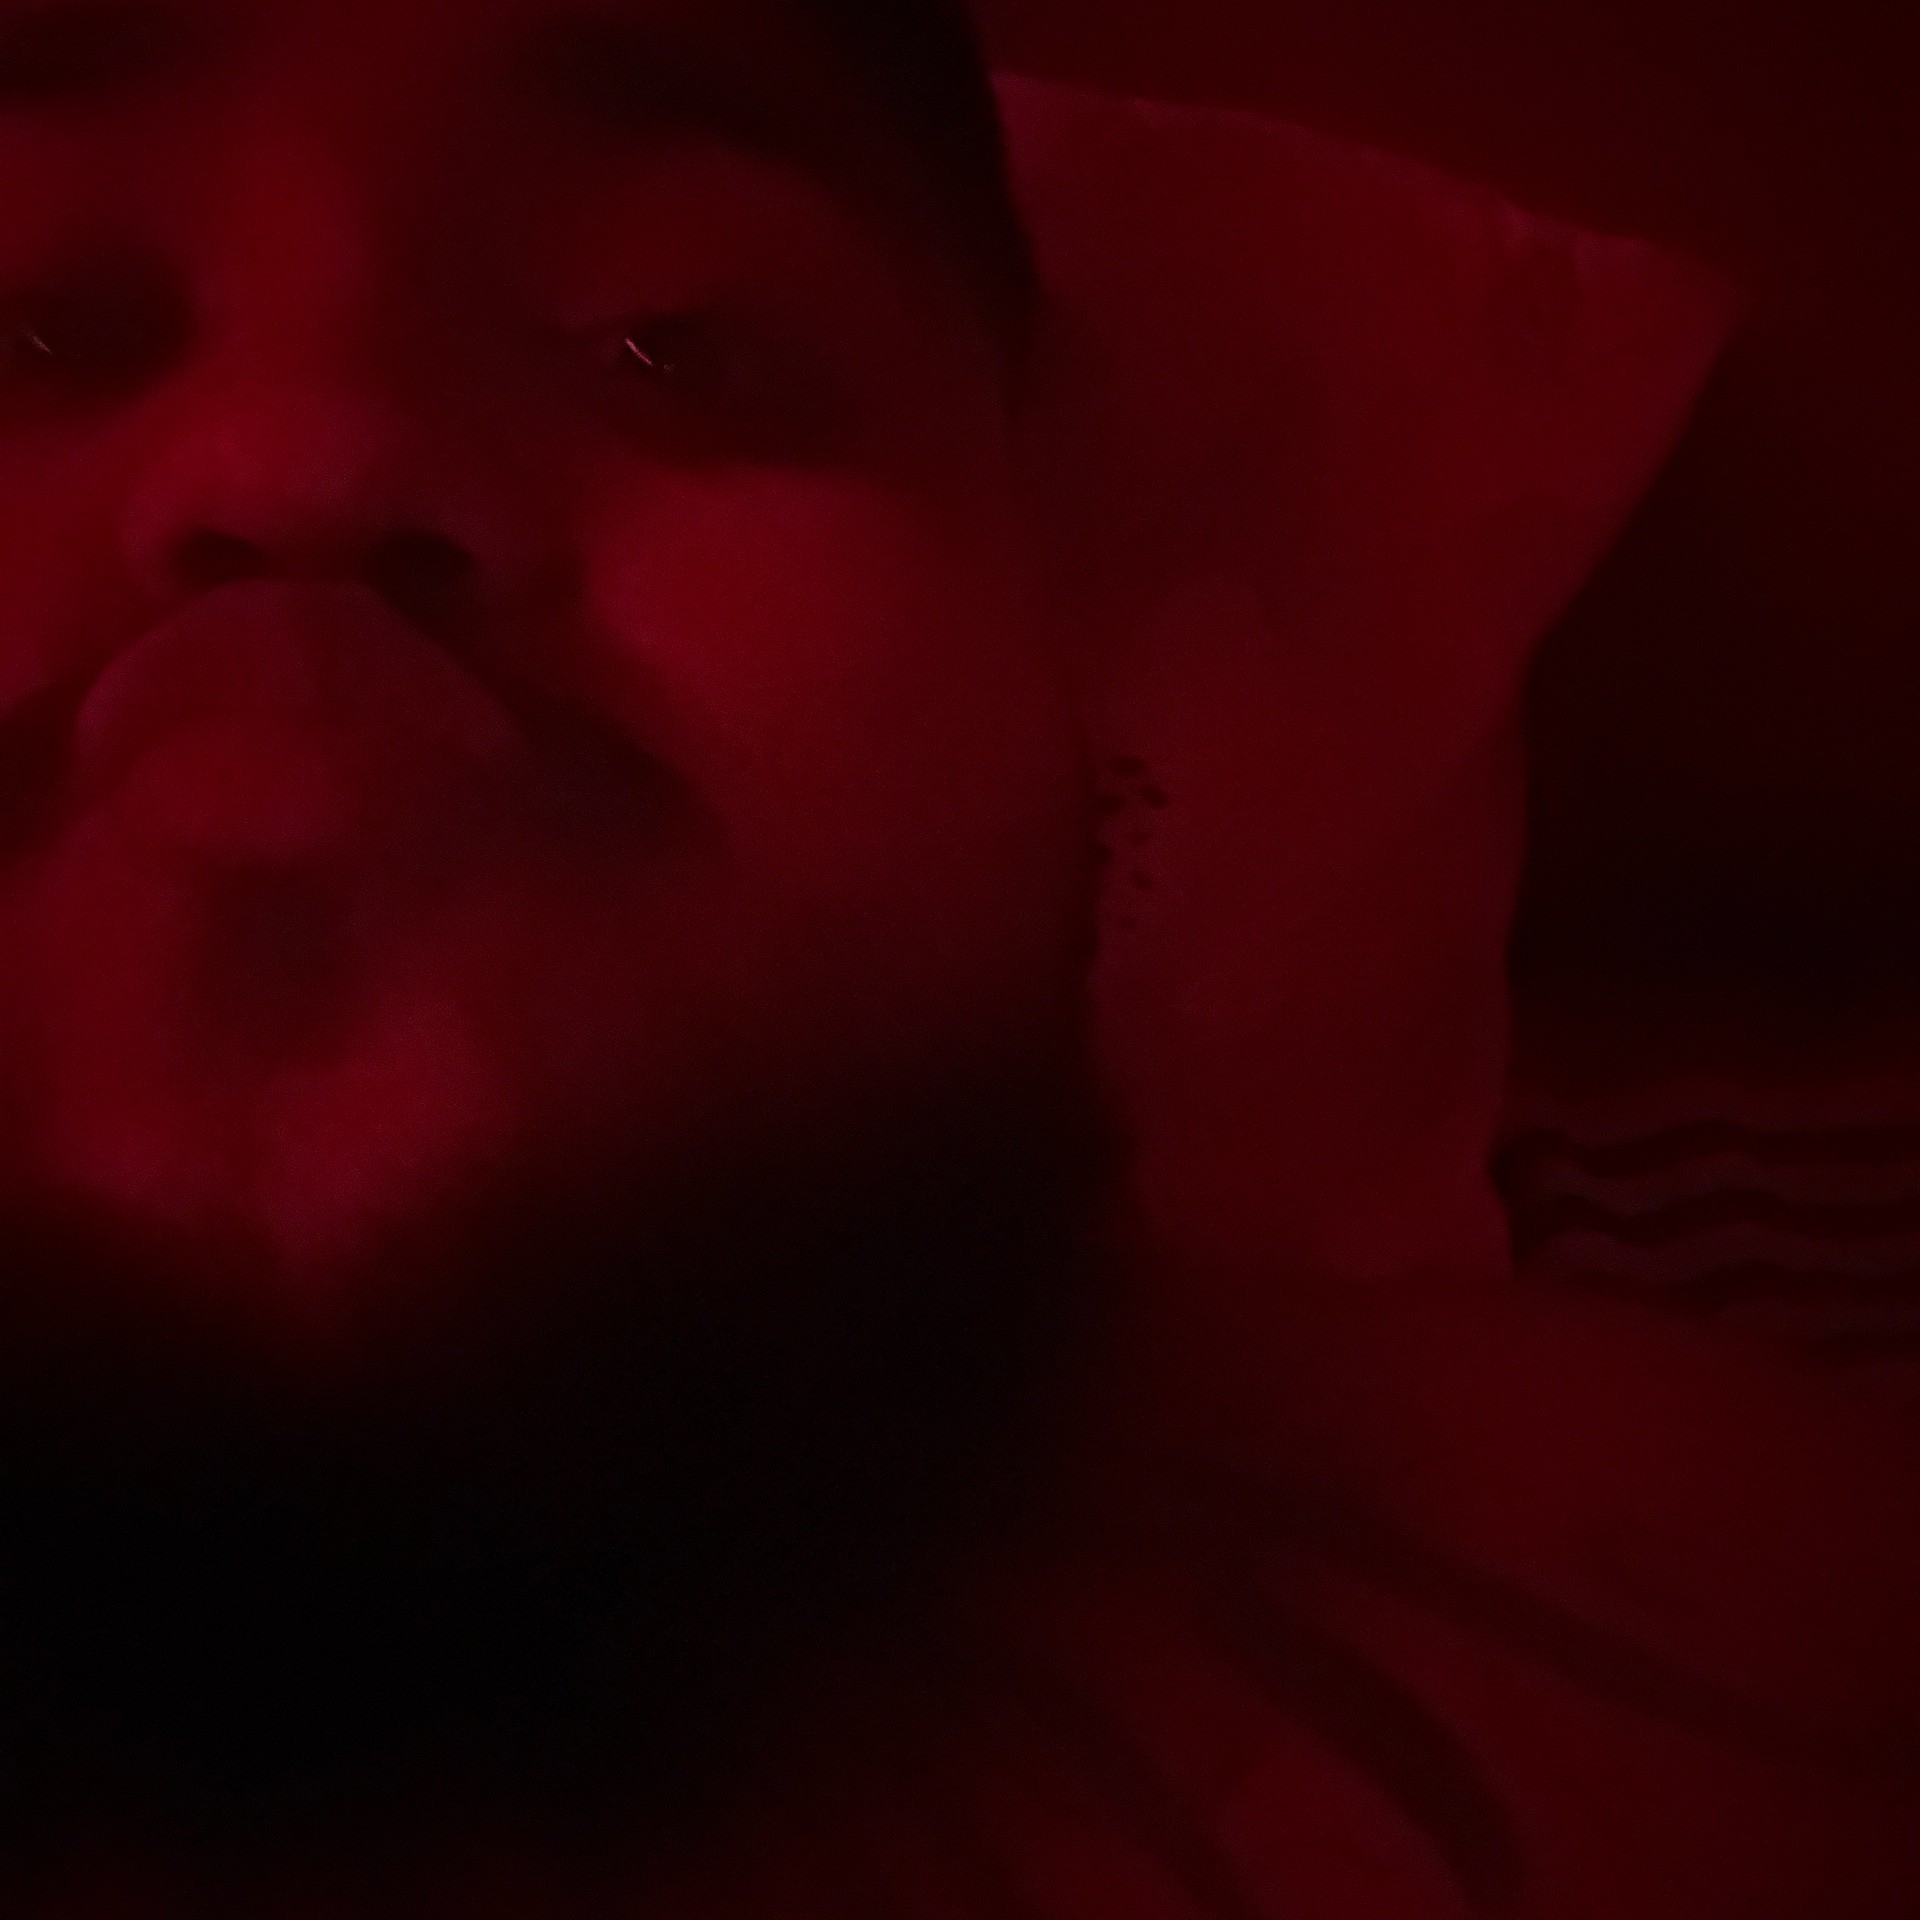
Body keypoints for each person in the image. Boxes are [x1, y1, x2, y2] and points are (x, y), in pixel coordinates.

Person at [0, 2, 1912, 1915]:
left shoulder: (1797, 1681)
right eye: (27, 327)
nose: (309, 456)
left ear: (1054, 648)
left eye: (671, 346)